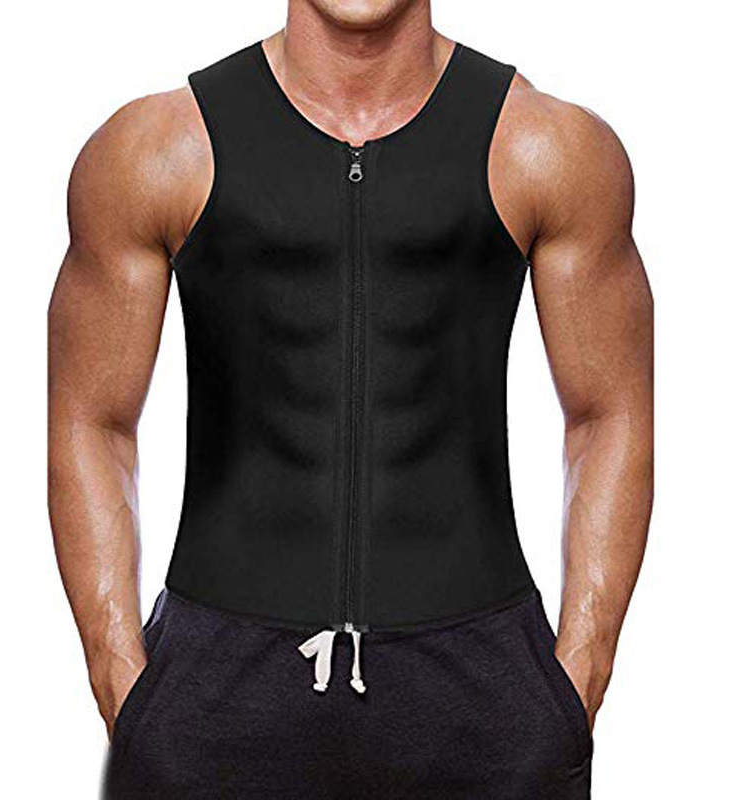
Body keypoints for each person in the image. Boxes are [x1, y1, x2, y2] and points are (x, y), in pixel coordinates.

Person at [48, 0, 653, 796]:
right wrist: (123, 678)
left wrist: (575, 678)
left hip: (486, 698)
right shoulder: (157, 148)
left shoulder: (545, 147)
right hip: (213, 697)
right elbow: (93, 421)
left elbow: (608, 414)